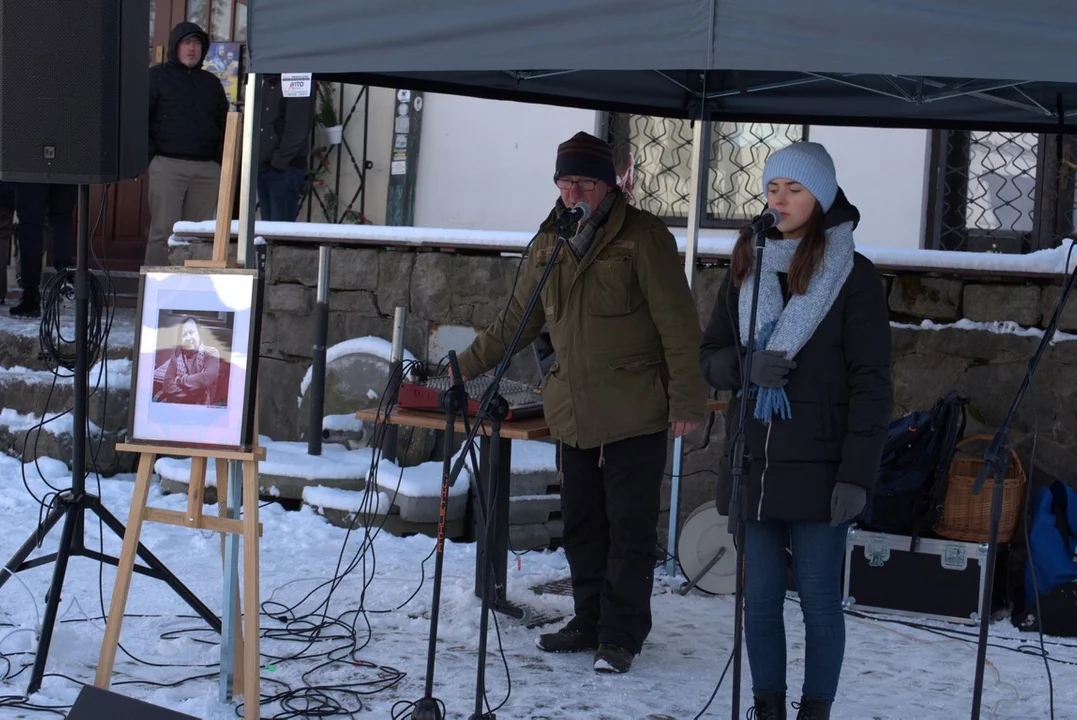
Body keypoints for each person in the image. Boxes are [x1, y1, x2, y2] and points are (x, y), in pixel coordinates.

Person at [455, 131, 706, 674]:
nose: (573, 194)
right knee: (581, 525)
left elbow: (679, 325)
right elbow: (513, 325)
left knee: (628, 528)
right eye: (564, 183)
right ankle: (588, 618)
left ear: (609, 184)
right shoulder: (548, 244)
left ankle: (621, 634)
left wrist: (688, 398)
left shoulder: (643, 238)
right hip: (572, 413)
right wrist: (459, 370)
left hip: (634, 411)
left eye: (583, 183)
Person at [698, 142, 892, 720]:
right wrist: (743, 368)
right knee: (758, 602)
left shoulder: (853, 277)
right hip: (754, 462)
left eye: (795, 189)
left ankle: (814, 712)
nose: (779, 200)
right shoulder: (748, 264)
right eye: (773, 187)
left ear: (822, 197)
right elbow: (709, 356)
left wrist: (857, 475)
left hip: (822, 470)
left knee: (818, 603)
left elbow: (872, 386)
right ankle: (768, 709)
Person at [145, 22, 229, 266]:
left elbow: (224, 124)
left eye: (197, 43)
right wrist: (151, 157)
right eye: (186, 42)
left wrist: (218, 162)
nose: (192, 49)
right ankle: (154, 297)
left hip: (206, 170)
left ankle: (187, 301)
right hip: (168, 165)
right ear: (175, 46)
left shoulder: (211, 83)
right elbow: (140, 119)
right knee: (163, 233)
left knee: (197, 237)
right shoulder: (156, 77)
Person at [7, 183, 76, 317]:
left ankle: (30, 298)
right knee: (62, 218)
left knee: (30, 225)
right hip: (67, 167)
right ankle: (67, 280)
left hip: (32, 170)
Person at [257, 75, 316, 222]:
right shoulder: (266, 80)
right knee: (267, 232)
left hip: (284, 168)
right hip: (266, 165)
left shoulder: (296, 77)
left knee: (279, 232)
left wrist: (278, 162)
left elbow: (297, 129)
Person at [153, 316, 222, 406]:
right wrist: (191, 396)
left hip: (203, 408)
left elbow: (206, 378)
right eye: (184, 335)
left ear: (199, 334)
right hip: (177, 407)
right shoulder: (176, 357)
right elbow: (167, 386)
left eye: (191, 332)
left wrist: (179, 380)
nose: (188, 338)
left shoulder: (211, 352)